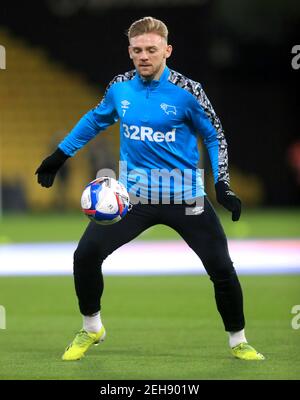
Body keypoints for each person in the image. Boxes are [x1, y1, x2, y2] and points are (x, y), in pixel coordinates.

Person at [35, 16, 264, 361]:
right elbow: (96, 119)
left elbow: (214, 134)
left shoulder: (189, 91)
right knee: (85, 256)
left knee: (221, 268)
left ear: (167, 51)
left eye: (152, 50)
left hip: (186, 198)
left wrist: (222, 183)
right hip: (133, 198)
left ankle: (239, 340)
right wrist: (60, 155)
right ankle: (92, 327)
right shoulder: (120, 88)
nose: (144, 56)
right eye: (138, 50)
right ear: (130, 52)